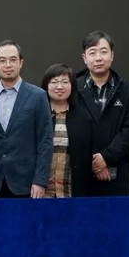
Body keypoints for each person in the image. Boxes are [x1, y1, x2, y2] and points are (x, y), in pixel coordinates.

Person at [0, 40, 53, 198]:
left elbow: (45, 141)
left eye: (13, 60)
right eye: (2, 60)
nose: (8, 65)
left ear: (21, 63)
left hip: (27, 183)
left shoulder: (38, 96)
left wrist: (40, 180)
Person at [76, 31, 129, 196]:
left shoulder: (127, 90)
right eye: (92, 53)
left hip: (117, 173)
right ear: (84, 58)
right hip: (82, 172)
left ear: (112, 55)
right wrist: (94, 161)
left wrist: (106, 158)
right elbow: (73, 129)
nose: (98, 58)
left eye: (103, 52)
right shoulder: (73, 89)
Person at [40, 63, 94, 198]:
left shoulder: (83, 117)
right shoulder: (37, 115)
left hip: (72, 192)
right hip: (41, 192)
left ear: (72, 86)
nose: (59, 87)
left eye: (65, 82)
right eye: (54, 82)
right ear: (46, 86)